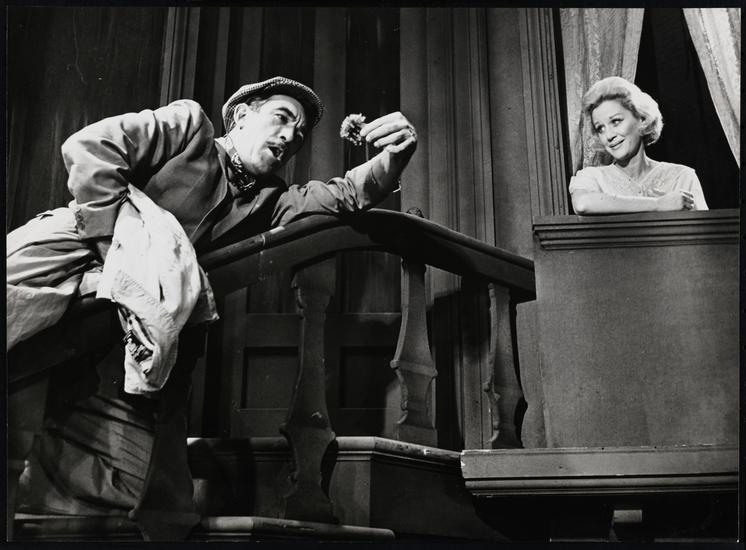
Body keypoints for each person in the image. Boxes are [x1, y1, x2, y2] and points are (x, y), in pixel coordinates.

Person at [7, 76, 417, 526]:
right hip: (66, 262)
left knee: (148, 491)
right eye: (281, 118)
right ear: (240, 116)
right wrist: (119, 257)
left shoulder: (272, 201)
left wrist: (396, 155)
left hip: (121, 349)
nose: (289, 137)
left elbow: (345, 195)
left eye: (299, 134)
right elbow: (91, 147)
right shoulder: (188, 126)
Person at [569, 76, 708, 214]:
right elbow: (582, 204)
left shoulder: (681, 177)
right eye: (600, 128)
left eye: (616, 121)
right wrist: (658, 204)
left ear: (642, 119)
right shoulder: (593, 177)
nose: (609, 135)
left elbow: (702, 227)